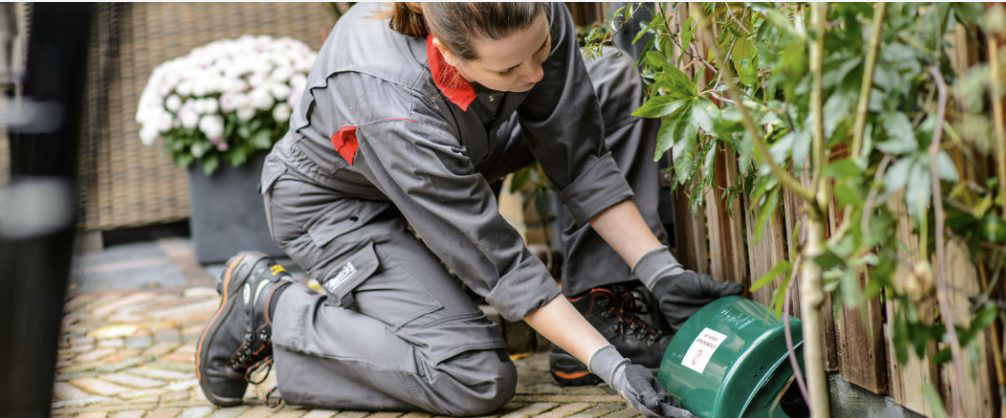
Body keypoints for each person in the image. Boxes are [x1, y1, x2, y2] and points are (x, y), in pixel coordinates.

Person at [195, 3, 741, 417]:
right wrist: (615, 370)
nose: (532, 75)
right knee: (471, 378)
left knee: (610, 82)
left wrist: (659, 270)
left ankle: (599, 301)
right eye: (509, 72)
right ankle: (272, 310)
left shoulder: (526, 14)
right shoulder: (387, 100)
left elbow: (577, 155)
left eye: (540, 51)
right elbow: (498, 261)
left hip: (457, 151)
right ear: (446, 53)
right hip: (338, 206)